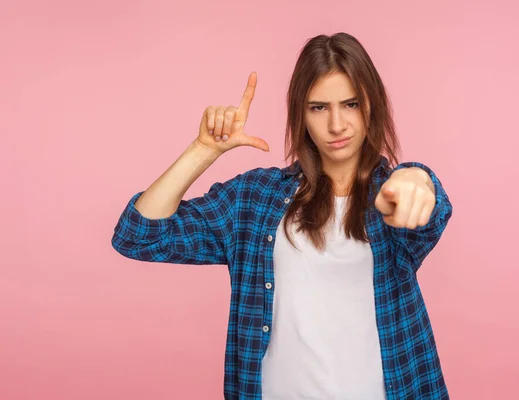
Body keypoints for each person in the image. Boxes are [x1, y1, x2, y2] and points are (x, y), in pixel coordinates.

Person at [112, 32, 453, 400]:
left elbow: (429, 208)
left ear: (372, 105)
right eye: (318, 107)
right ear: (300, 114)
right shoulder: (255, 199)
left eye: (351, 104)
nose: (336, 125)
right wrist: (203, 150)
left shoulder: (393, 196)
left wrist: (418, 179)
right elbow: (137, 235)